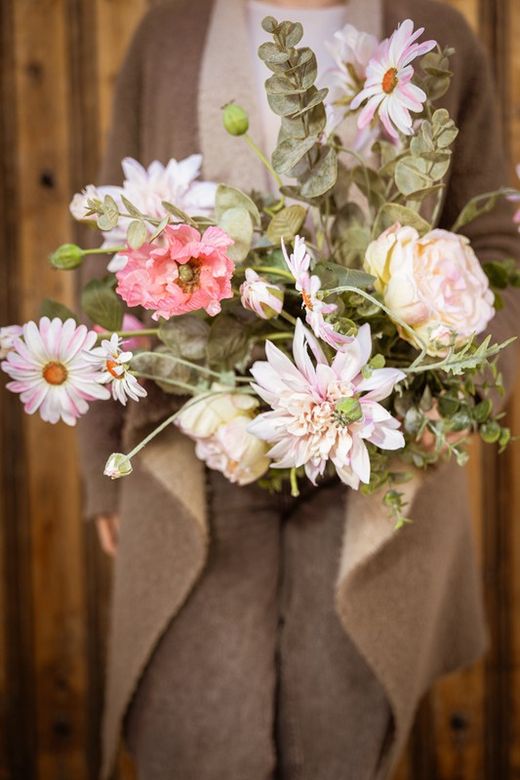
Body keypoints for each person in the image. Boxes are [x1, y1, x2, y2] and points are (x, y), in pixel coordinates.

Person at [78, 0, 520, 778]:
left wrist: (459, 392)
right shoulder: (170, 33)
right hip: (193, 453)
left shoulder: (437, 37)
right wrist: (99, 468)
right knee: (195, 728)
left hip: (379, 460)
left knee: (341, 737)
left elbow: (496, 246)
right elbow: (106, 250)